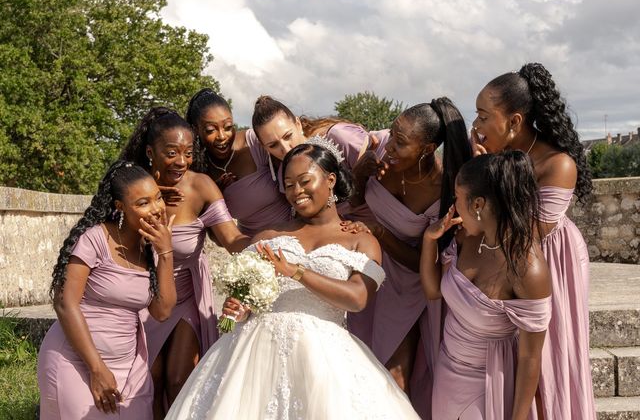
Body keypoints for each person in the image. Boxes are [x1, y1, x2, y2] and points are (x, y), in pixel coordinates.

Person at [164, 142, 420, 419]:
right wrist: (237, 308)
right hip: (255, 355)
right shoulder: (267, 236)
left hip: (324, 358)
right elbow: (246, 299)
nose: (296, 192)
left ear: (330, 180)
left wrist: (296, 271)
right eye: (288, 185)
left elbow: (358, 298)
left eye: (304, 181)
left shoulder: (361, 240)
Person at [471, 63, 595, 419]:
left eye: (482, 117)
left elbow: (526, 235)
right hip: (507, 259)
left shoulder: (558, 164)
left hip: (550, 261)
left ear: (514, 122)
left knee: (550, 351)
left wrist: (490, 179)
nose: (476, 127)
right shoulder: (494, 157)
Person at [119, 106, 251, 417]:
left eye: (188, 152)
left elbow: (232, 239)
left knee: (179, 378)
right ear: (151, 152)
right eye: (172, 152)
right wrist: (145, 200)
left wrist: (272, 243)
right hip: (142, 296)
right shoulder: (131, 186)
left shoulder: (201, 185)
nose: (181, 161)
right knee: (147, 381)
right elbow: (114, 240)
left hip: (187, 294)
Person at [346, 98, 472, 417]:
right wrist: (360, 176)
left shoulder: (444, 188)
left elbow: (423, 262)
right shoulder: (380, 150)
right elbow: (354, 202)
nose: (390, 147)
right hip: (364, 269)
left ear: (428, 149)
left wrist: (381, 232)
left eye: (401, 144)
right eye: (393, 134)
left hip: (408, 283)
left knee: (394, 378)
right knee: (356, 369)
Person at [38, 161, 177, 419]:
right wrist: (97, 368)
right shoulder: (94, 239)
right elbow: (65, 304)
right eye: (143, 203)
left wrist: (166, 253)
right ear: (120, 207)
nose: (156, 208)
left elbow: (163, 311)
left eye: (157, 198)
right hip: (77, 361)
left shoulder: (152, 249)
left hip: (129, 367)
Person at [420, 151, 552, 419]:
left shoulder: (528, 269)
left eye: (457, 198)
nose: (453, 206)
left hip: (488, 383)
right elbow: (434, 292)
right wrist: (428, 240)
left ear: (478, 204)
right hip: (447, 374)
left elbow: (530, 358)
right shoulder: (466, 238)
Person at [185, 88, 290, 236]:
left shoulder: (254, 142)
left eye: (228, 127)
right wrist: (216, 196)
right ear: (196, 130)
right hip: (250, 248)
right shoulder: (198, 171)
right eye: (210, 130)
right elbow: (217, 239)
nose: (222, 136)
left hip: (293, 232)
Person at [251, 95, 374, 221]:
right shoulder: (285, 172)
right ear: (264, 147)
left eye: (288, 136)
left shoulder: (339, 137)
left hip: (382, 220)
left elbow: (379, 172)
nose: (286, 148)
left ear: (298, 124)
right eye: (273, 145)